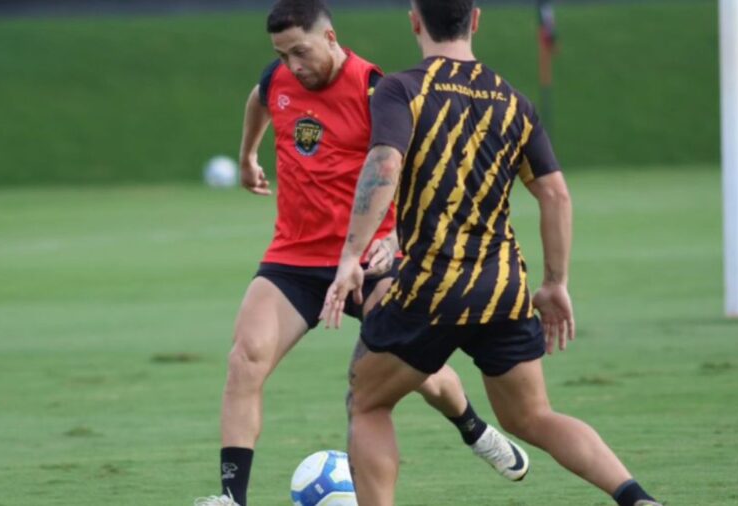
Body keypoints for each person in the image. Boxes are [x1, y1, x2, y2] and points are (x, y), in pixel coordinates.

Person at [320, 1, 664, 505]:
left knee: (368, 403)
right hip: (502, 288)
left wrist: (351, 255)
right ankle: (636, 498)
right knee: (532, 417)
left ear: (415, 21)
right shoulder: (514, 102)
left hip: (431, 287)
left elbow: (384, 164)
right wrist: (555, 283)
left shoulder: (402, 89)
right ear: (475, 20)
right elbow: (556, 195)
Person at [195, 2, 530, 506]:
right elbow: (260, 97)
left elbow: (408, 165)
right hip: (295, 258)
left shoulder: (376, 90)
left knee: (423, 373)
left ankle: (473, 428)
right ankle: (230, 499)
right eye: (282, 55)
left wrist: (394, 239)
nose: (292, 66)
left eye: (300, 52)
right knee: (245, 359)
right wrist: (247, 156)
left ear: (331, 38)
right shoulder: (278, 79)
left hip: (373, 261)